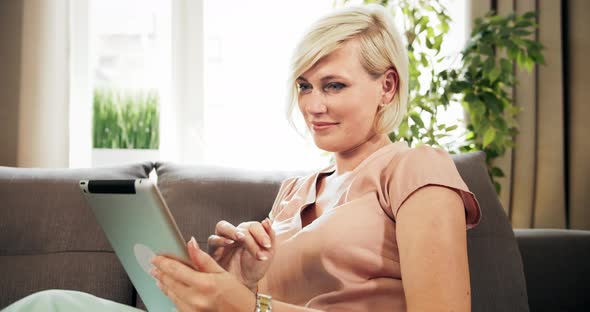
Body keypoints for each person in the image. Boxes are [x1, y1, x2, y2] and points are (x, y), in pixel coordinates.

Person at [3, 4, 481, 312]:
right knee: (50, 305)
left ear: (387, 86)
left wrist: (251, 308)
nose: (314, 105)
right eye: (304, 86)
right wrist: (243, 278)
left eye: (334, 85)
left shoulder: (416, 169)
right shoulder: (293, 193)